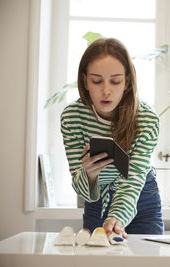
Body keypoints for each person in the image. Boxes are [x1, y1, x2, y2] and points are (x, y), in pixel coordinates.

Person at [60, 38, 164, 238]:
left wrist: (116, 217)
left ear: (126, 82)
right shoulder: (72, 117)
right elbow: (81, 187)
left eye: (115, 81)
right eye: (96, 81)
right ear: (85, 81)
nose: (106, 90)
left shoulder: (146, 119)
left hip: (141, 195)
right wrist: (89, 175)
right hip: (96, 199)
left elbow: (132, 181)